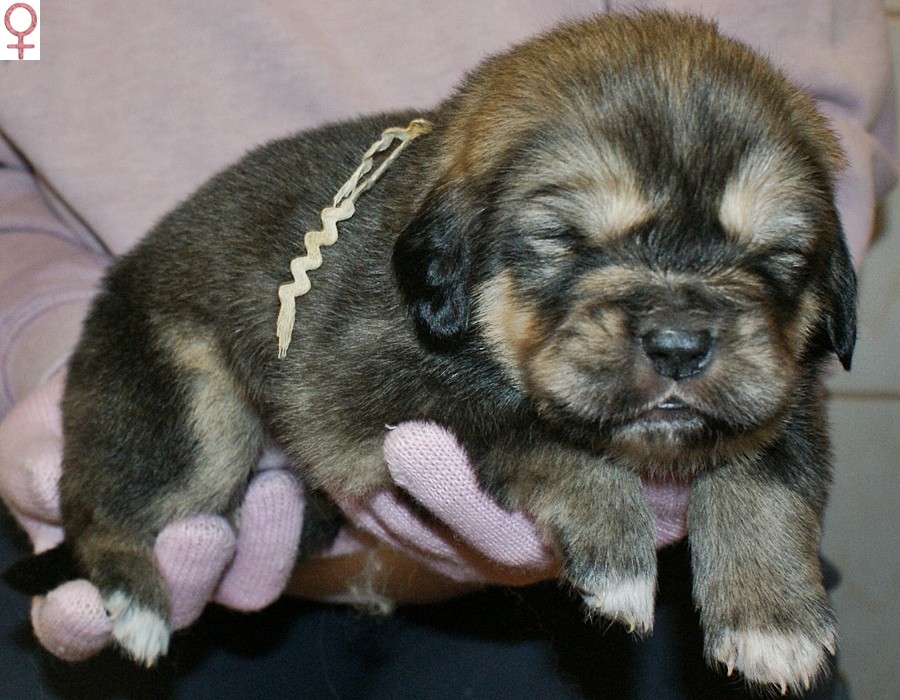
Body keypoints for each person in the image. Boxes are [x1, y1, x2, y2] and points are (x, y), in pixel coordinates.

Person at [0, 1, 895, 698]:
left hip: (625, 593)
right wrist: (42, 337)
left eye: (768, 258)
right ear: (453, 261)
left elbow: (819, 136)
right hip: (186, 337)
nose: (677, 332)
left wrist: (755, 494)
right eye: (569, 243)